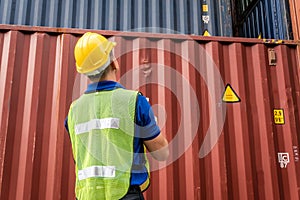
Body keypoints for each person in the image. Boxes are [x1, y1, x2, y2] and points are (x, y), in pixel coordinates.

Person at [65, 32, 169, 200]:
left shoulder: (74, 111)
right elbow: (162, 153)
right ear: (114, 62)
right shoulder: (134, 102)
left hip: (86, 196)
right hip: (126, 195)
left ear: (84, 71)